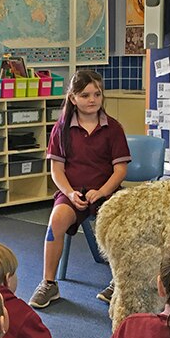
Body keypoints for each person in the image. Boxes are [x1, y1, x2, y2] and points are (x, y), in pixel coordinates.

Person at [29, 69, 130, 309]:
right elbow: (57, 170)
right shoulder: (61, 128)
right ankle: (49, 283)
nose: (92, 100)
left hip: (107, 193)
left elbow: (120, 171)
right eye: (85, 95)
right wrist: (70, 193)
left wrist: (102, 192)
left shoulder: (113, 128)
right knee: (56, 222)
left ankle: (119, 282)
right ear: (73, 98)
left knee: (122, 225)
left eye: (97, 94)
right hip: (72, 193)